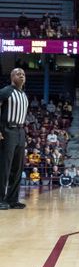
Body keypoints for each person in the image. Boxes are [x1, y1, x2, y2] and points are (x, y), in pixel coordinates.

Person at [0, 68, 30, 210]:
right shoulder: (7, 91)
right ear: (12, 77)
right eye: (19, 74)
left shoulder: (23, 94)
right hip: (8, 130)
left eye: (23, 74)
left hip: (20, 131)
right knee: (4, 166)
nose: (22, 76)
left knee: (17, 167)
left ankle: (12, 199)